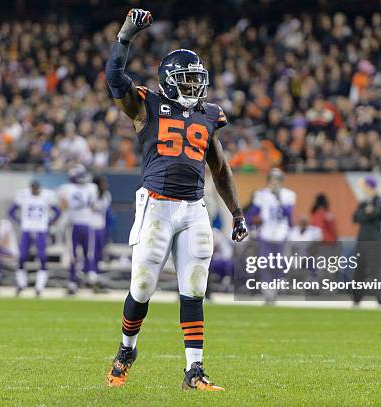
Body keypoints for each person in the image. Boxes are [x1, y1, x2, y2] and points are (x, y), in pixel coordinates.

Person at [104, 9, 247, 391]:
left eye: (197, 79)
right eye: (186, 79)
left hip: (194, 207)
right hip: (156, 203)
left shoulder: (208, 114)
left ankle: (194, 371)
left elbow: (219, 169)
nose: (194, 86)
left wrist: (236, 212)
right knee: (143, 284)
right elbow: (115, 81)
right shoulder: (147, 105)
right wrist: (124, 38)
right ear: (169, 81)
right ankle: (126, 349)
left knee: (195, 286)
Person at [249, 168, 296, 303]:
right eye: (272, 180)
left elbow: (288, 213)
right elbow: (252, 213)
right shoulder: (261, 194)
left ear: (281, 182)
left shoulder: (288, 195)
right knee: (265, 264)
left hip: (281, 234)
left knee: (278, 265)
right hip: (265, 233)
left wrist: (279, 198)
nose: (274, 183)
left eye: (277, 180)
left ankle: (275, 291)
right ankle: (267, 294)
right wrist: (251, 224)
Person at [9, 180, 61, 297]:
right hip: (27, 229)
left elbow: (58, 212)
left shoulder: (46, 196)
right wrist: (20, 221)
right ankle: (21, 284)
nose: (34, 190)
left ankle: (39, 287)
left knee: (42, 257)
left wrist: (49, 222)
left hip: (41, 229)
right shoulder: (23, 195)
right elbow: (11, 211)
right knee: (22, 257)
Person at [58, 165, 98, 295]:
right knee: (88, 253)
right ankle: (92, 279)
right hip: (87, 224)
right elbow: (93, 206)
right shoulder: (92, 188)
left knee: (73, 255)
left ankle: (73, 283)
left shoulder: (67, 189)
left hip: (74, 225)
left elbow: (63, 206)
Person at [352, 176, 381, 305]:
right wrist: (366, 213)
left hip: (373, 240)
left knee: (375, 270)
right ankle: (357, 298)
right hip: (362, 240)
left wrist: (364, 214)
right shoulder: (364, 202)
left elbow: (375, 213)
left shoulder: (379, 200)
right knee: (359, 270)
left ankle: (380, 299)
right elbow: (355, 217)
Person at [88, 174, 112, 292]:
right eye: (103, 183)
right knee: (91, 253)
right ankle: (92, 279)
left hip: (100, 227)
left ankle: (96, 278)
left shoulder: (106, 195)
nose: (106, 185)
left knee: (99, 254)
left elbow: (102, 210)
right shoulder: (91, 193)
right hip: (91, 227)